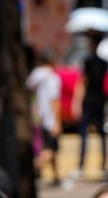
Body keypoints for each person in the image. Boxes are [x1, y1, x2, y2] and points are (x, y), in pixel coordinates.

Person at [74, 32, 108, 179]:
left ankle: (81, 165)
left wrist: (76, 102)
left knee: (84, 135)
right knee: (101, 135)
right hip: (100, 100)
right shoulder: (104, 63)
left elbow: (82, 82)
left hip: (89, 101)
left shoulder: (87, 62)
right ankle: (104, 165)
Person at [26, 50, 63, 185]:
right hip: (50, 119)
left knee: (50, 148)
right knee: (50, 150)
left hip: (37, 118)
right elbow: (55, 100)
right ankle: (32, 167)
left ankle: (56, 176)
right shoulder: (52, 78)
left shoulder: (34, 76)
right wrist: (57, 121)